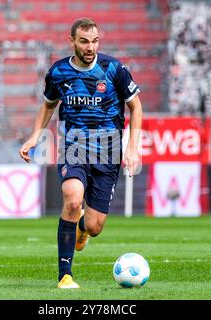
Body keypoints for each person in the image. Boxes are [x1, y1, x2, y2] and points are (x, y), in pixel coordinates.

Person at [19, 18, 143, 289]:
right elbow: (48, 105)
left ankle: (84, 228)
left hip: (108, 152)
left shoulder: (114, 69)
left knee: (96, 226)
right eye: (84, 41)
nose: (90, 47)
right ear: (72, 41)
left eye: (95, 41)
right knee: (73, 201)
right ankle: (65, 275)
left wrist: (132, 148)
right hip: (73, 147)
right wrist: (34, 137)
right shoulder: (59, 72)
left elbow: (136, 107)